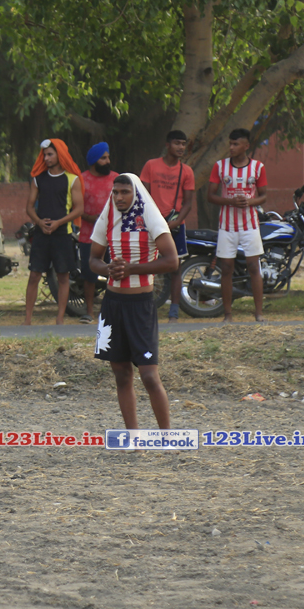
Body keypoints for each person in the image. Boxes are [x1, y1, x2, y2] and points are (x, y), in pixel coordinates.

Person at [89, 174, 178, 430]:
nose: (119, 197)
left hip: (141, 305)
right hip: (112, 304)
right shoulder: (107, 216)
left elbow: (172, 261)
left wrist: (132, 269)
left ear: (136, 193)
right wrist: (108, 269)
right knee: (121, 374)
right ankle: (134, 438)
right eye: (115, 192)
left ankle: (166, 438)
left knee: (149, 376)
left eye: (124, 192)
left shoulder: (150, 216)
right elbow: (93, 259)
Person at [207, 128, 268, 323]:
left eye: (236, 144)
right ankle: (228, 315)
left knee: (253, 266)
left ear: (246, 146)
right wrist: (230, 201)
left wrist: (249, 202)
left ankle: (259, 313)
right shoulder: (220, 166)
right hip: (227, 226)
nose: (231, 147)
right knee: (226, 268)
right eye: (230, 144)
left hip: (250, 225)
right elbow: (210, 196)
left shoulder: (258, 167)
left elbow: (263, 195)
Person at [24, 139, 83, 326]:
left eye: (50, 154)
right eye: (44, 155)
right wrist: (39, 222)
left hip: (62, 234)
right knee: (34, 275)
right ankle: (27, 319)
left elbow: (79, 209)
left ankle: (60, 319)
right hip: (41, 234)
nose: (47, 158)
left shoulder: (72, 179)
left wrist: (59, 223)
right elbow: (29, 207)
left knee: (63, 277)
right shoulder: (38, 179)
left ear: (60, 155)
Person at [140, 131, 196, 322]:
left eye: (183, 144)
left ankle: (174, 311)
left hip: (175, 225)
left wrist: (177, 221)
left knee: (175, 267)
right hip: (151, 222)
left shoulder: (186, 171)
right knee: (146, 265)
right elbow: (142, 194)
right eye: (177, 143)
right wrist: (149, 219)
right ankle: (145, 307)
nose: (181, 147)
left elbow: (188, 203)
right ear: (167, 145)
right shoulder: (151, 165)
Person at [79, 142, 117, 323]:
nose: (107, 161)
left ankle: (113, 310)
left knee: (115, 272)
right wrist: (91, 217)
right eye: (103, 158)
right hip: (89, 235)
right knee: (89, 275)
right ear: (94, 161)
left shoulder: (117, 179)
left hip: (114, 236)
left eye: (108, 157)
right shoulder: (81, 180)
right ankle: (89, 312)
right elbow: (75, 207)